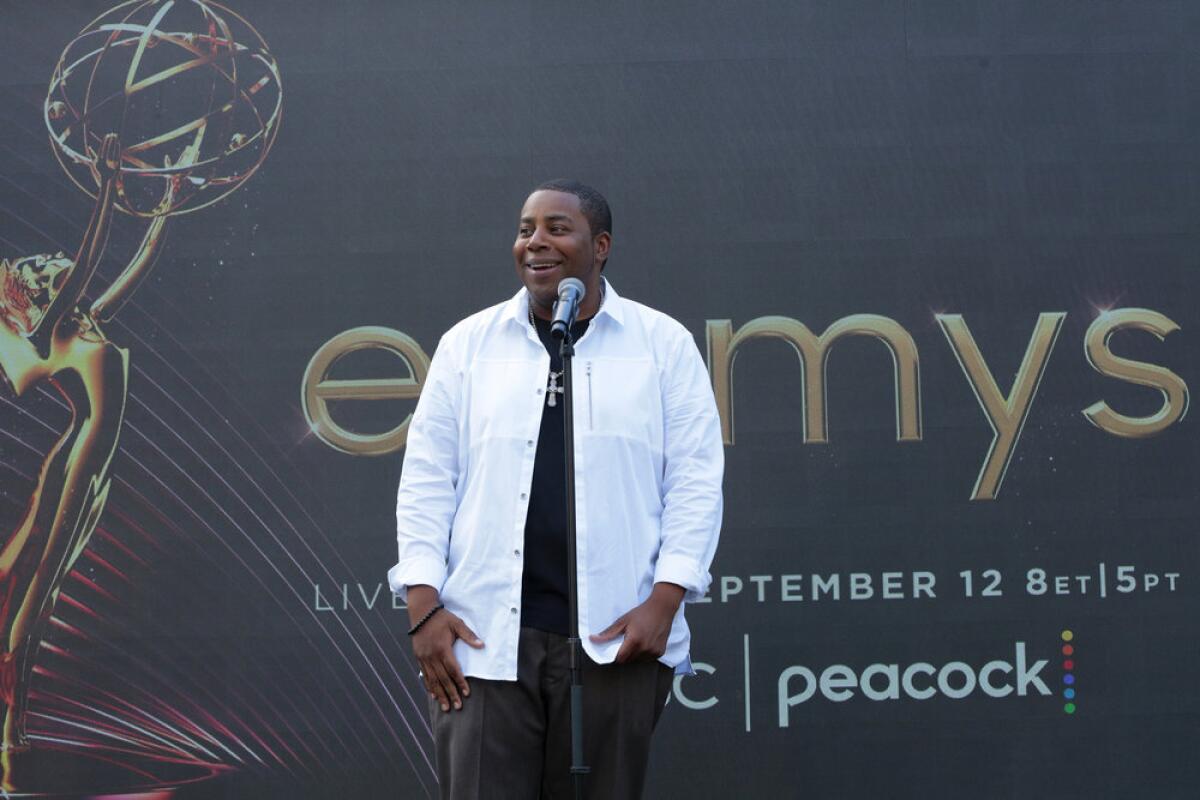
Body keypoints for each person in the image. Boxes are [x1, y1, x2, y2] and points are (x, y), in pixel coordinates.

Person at [389, 179, 723, 799]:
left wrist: (665, 601)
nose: (535, 242)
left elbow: (696, 481)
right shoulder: (468, 345)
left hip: (615, 642)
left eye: (556, 228)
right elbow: (428, 478)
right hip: (483, 644)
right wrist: (423, 607)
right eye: (525, 229)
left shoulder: (662, 345)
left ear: (600, 246)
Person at [0, 133, 169, 764]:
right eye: (43, 270)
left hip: (93, 466)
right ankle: (10, 727)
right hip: (78, 460)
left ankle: (16, 724)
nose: (51, 266)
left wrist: (166, 205)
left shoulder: (89, 321)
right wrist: (104, 184)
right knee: (36, 588)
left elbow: (138, 260)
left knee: (43, 583)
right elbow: (93, 253)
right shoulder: (55, 326)